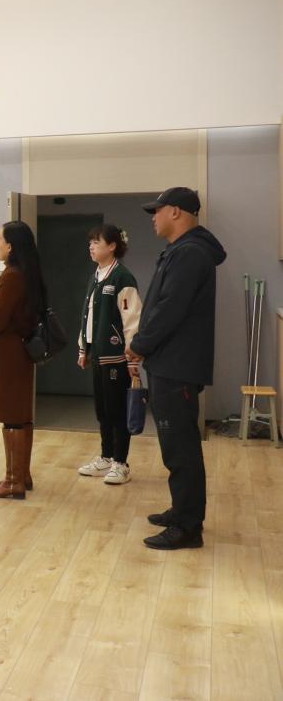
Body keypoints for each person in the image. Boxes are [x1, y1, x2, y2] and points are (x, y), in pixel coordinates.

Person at [127, 187, 225, 550]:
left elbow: (170, 308)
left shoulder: (190, 253)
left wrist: (140, 344)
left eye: (158, 210)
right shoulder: (182, 250)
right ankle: (182, 511)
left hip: (176, 364)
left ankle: (187, 527)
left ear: (177, 212)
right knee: (175, 444)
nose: (153, 217)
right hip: (171, 362)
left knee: (181, 447)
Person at [0, 221, 45, 500]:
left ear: (11, 246)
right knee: (19, 416)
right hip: (15, 353)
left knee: (13, 418)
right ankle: (20, 475)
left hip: (7, 356)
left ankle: (14, 480)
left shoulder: (13, 276)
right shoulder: (24, 273)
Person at [76, 224, 143, 485]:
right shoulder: (96, 276)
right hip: (98, 354)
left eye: (96, 242)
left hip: (117, 356)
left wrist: (133, 358)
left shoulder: (122, 278)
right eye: (90, 242)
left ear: (112, 246)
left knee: (117, 411)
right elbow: (88, 316)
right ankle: (105, 457)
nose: (91, 246)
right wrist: (84, 348)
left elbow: (132, 319)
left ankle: (121, 462)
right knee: (102, 410)